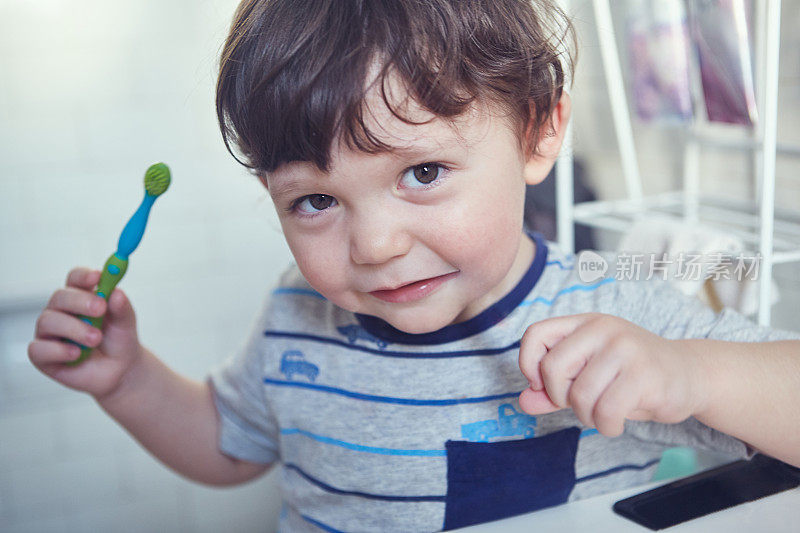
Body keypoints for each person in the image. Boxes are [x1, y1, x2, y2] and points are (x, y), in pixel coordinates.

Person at [28, 0, 800, 531]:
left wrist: (691, 373)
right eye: (314, 201)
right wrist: (127, 379)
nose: (374, 245)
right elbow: (232, 445)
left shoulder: (611, 315)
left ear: (538, 131)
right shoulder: (299, 313)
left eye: (422, 173)